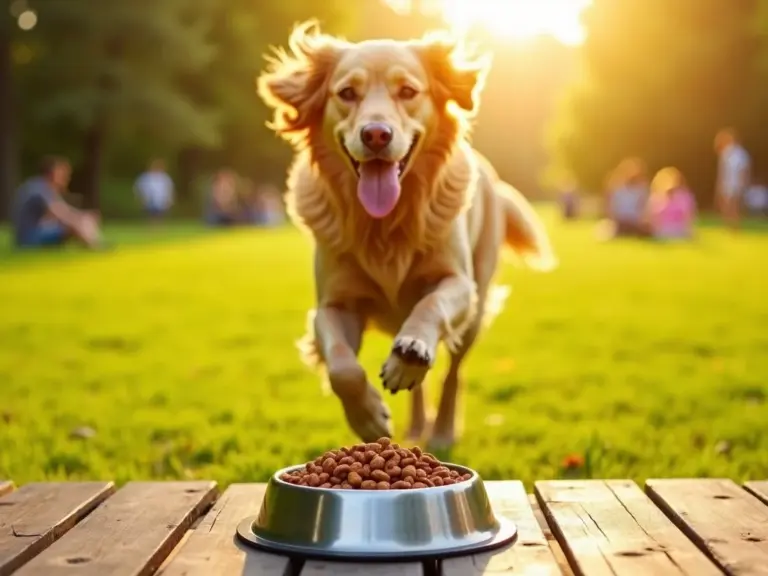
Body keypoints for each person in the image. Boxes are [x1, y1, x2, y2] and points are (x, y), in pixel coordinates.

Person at [11, 156, 106, 249]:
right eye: (63, 173)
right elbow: (61, 214)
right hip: (29, 238)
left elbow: (63, 211)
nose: (67, 178)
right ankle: (96, 247)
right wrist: (81, 219)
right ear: (52, 173)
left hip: (29, 234)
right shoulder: (41, 189)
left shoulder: (40, 186)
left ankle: (95, 245)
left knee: (80, 220)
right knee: (74, 225)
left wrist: (82, 216)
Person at [598, 157, 651, 239]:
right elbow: (611, 208)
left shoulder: (641, 189)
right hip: (620, 221)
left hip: (635, 222)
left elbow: (644, 208)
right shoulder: (617, 188)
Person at [714, 128, 751, 231]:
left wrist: (742, 183)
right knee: (728, 206)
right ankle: (730, 227)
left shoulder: (738, 153)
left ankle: (734, 227)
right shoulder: (727, 153)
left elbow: (744, 170)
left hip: (734, 184)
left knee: (733, 206)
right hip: (729, 184)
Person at [647, 167, 697, 240]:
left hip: (679, 229)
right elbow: (652, 216)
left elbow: (688, 215)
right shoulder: (656, 197)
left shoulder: (684, 196)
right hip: (662, 229)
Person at [134, 159, 174, 224]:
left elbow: (169, 189)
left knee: (159, 214)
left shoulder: (165, 177)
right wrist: (141, 198)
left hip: (161, 200)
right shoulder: (146, 177)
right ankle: (152, 227)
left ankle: (158, 228)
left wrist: (169, 199)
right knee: (151, 214)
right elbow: (139, 188)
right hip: (149, 200)